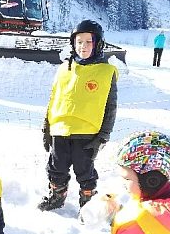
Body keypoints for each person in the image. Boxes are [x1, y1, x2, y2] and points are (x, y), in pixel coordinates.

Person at [38, 19, 118, 211]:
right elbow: (53, 100)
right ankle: (57, 197)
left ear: (98, 44)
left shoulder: (106, 72)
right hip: (60, 130)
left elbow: (110, 107)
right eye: (79, 41)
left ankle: (88, 203)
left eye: (88, 42)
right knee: (56, 168)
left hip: (87, 133)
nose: (83, 46)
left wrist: (104, 135)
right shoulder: (63, 69)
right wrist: (46, 128)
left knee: (85, 171)